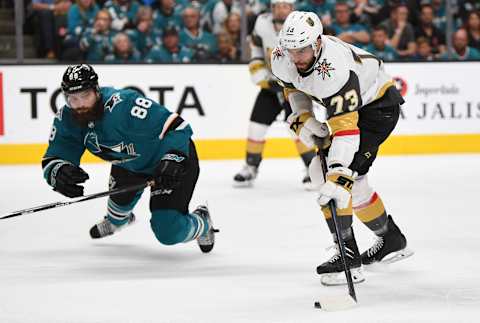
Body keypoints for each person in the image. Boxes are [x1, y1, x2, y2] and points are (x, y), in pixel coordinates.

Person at [271, 11, 413, 285]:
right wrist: (305, 118)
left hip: (377, 108)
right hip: (353, 107)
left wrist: (337, 173)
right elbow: (294, 88)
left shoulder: (334, 70)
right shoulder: (281, 57)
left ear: (317, 44)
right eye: (291, 50)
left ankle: (349, 257)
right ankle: (391, 237)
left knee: (330, 178)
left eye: (302, 50)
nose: (296, 58)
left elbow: (346, 131)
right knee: (352, 183)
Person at [41, 64, 217, 253]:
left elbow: (177, 127)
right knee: (117, 217)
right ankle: (117, 222)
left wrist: (173, 158)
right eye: (73, 98)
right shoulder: (67, 118)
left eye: (85, 96)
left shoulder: (124, 105)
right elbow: (56, 155)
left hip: (172, 162)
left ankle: (202, 222)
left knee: (168, 232)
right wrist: (58, 171)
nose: (80, 104)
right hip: (128, 165)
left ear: (96, 90)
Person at [233, 0, 317, 189]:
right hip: (270, 86)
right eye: (277, 6)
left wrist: (299, 81)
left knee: (300, 128)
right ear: (272, 8)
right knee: (256, 126)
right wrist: (260, 75)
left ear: (291, 8)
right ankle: (250, 167)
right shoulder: (261, 22)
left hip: (294, 87)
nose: (281, 10)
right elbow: (255, 48)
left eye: (285, 6)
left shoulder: (301, 25)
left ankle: (313, 169)